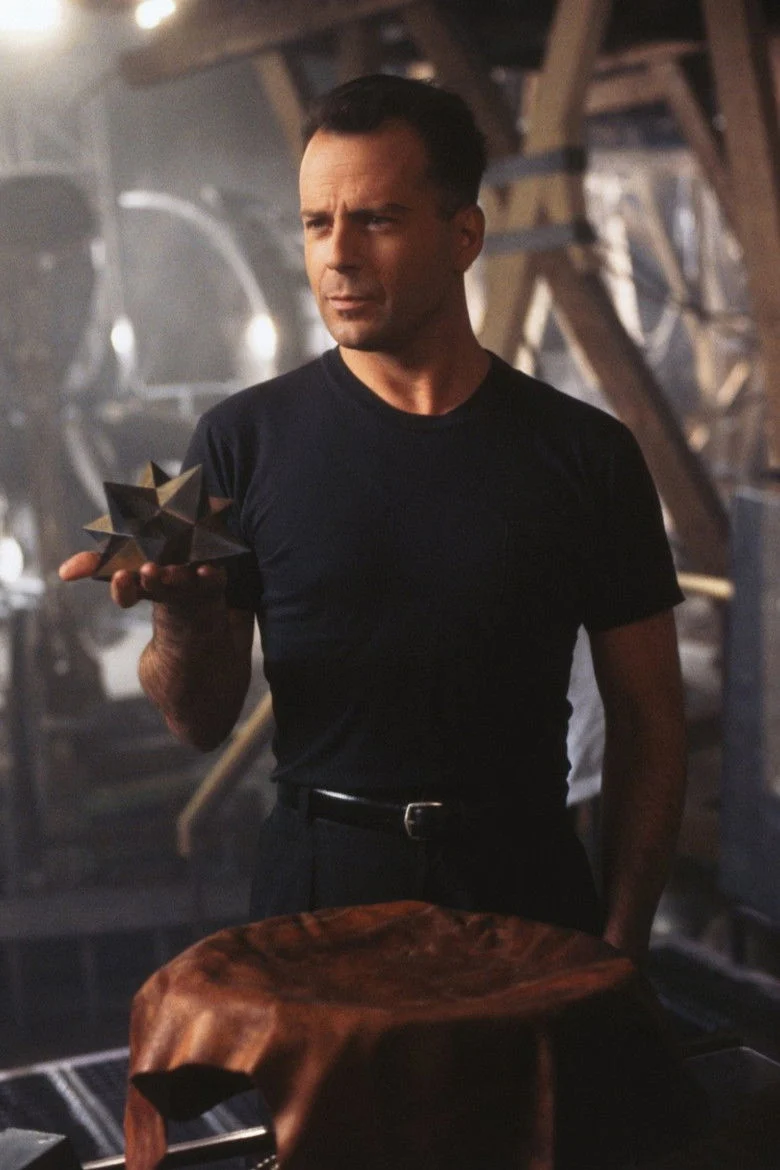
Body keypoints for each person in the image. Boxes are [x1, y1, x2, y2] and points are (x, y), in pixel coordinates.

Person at [60, 74, 686, 963]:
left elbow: (650, 724)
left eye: (377, 220)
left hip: (525, 886)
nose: (338, 256)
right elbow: (197, 723)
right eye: (318, 223)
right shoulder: (239, 442)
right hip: (322, 887)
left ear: (464, 235)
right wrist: (183, 619)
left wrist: (623, 944)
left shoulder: (587, 454)